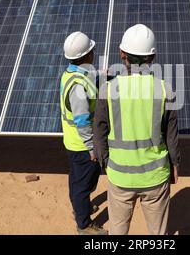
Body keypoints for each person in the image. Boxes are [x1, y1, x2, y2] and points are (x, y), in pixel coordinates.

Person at [93, 24, 180, 235]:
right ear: (153, 57)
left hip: (120, 176)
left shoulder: (108, 89)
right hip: (155, 177)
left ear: (122, 53)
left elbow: (99, 131)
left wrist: (106, 162)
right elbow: (171, 134)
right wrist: (175, 163)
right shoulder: (164, 89)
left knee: (118, 230)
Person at [60, 31, 107, 235]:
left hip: (72, 142)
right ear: (87, 55)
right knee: (83, 184)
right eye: (92, 51)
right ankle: (84, 225)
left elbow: (87, 80)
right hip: (82, 145)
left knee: (77, 180)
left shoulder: (71, 74)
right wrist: (91, 148)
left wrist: (104, 75)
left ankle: (82, 209)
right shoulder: (78, 86)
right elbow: (81, 120)